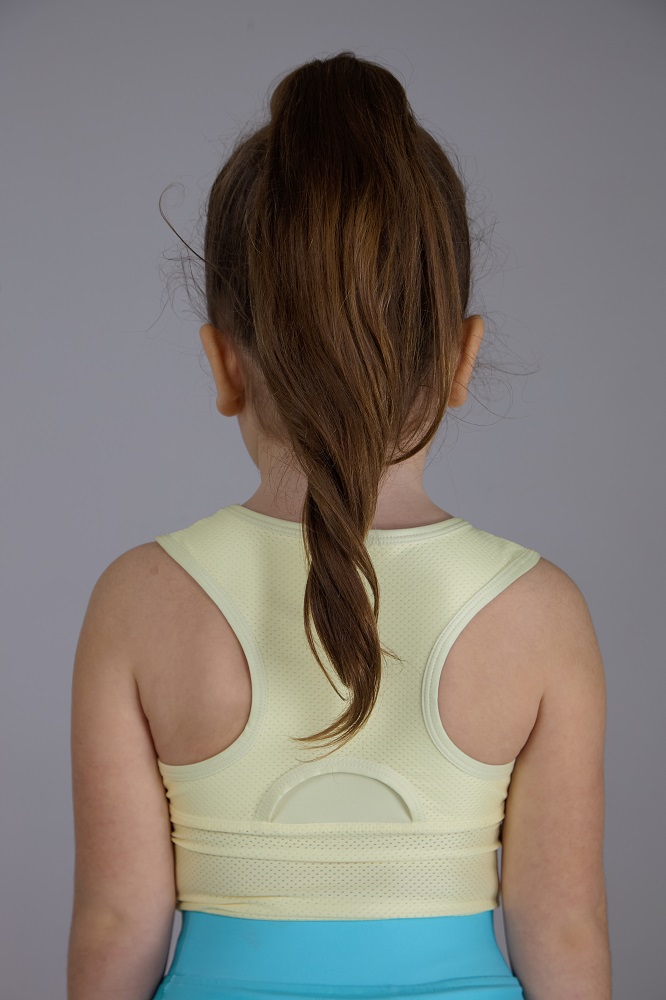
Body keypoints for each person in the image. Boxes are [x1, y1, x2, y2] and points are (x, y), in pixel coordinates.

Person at [68, 51, 611, 1000]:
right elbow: (565, 933)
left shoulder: (139, 602)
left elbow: (118, 927)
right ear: (461, 359)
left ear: (225, 364)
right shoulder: (540, 614)